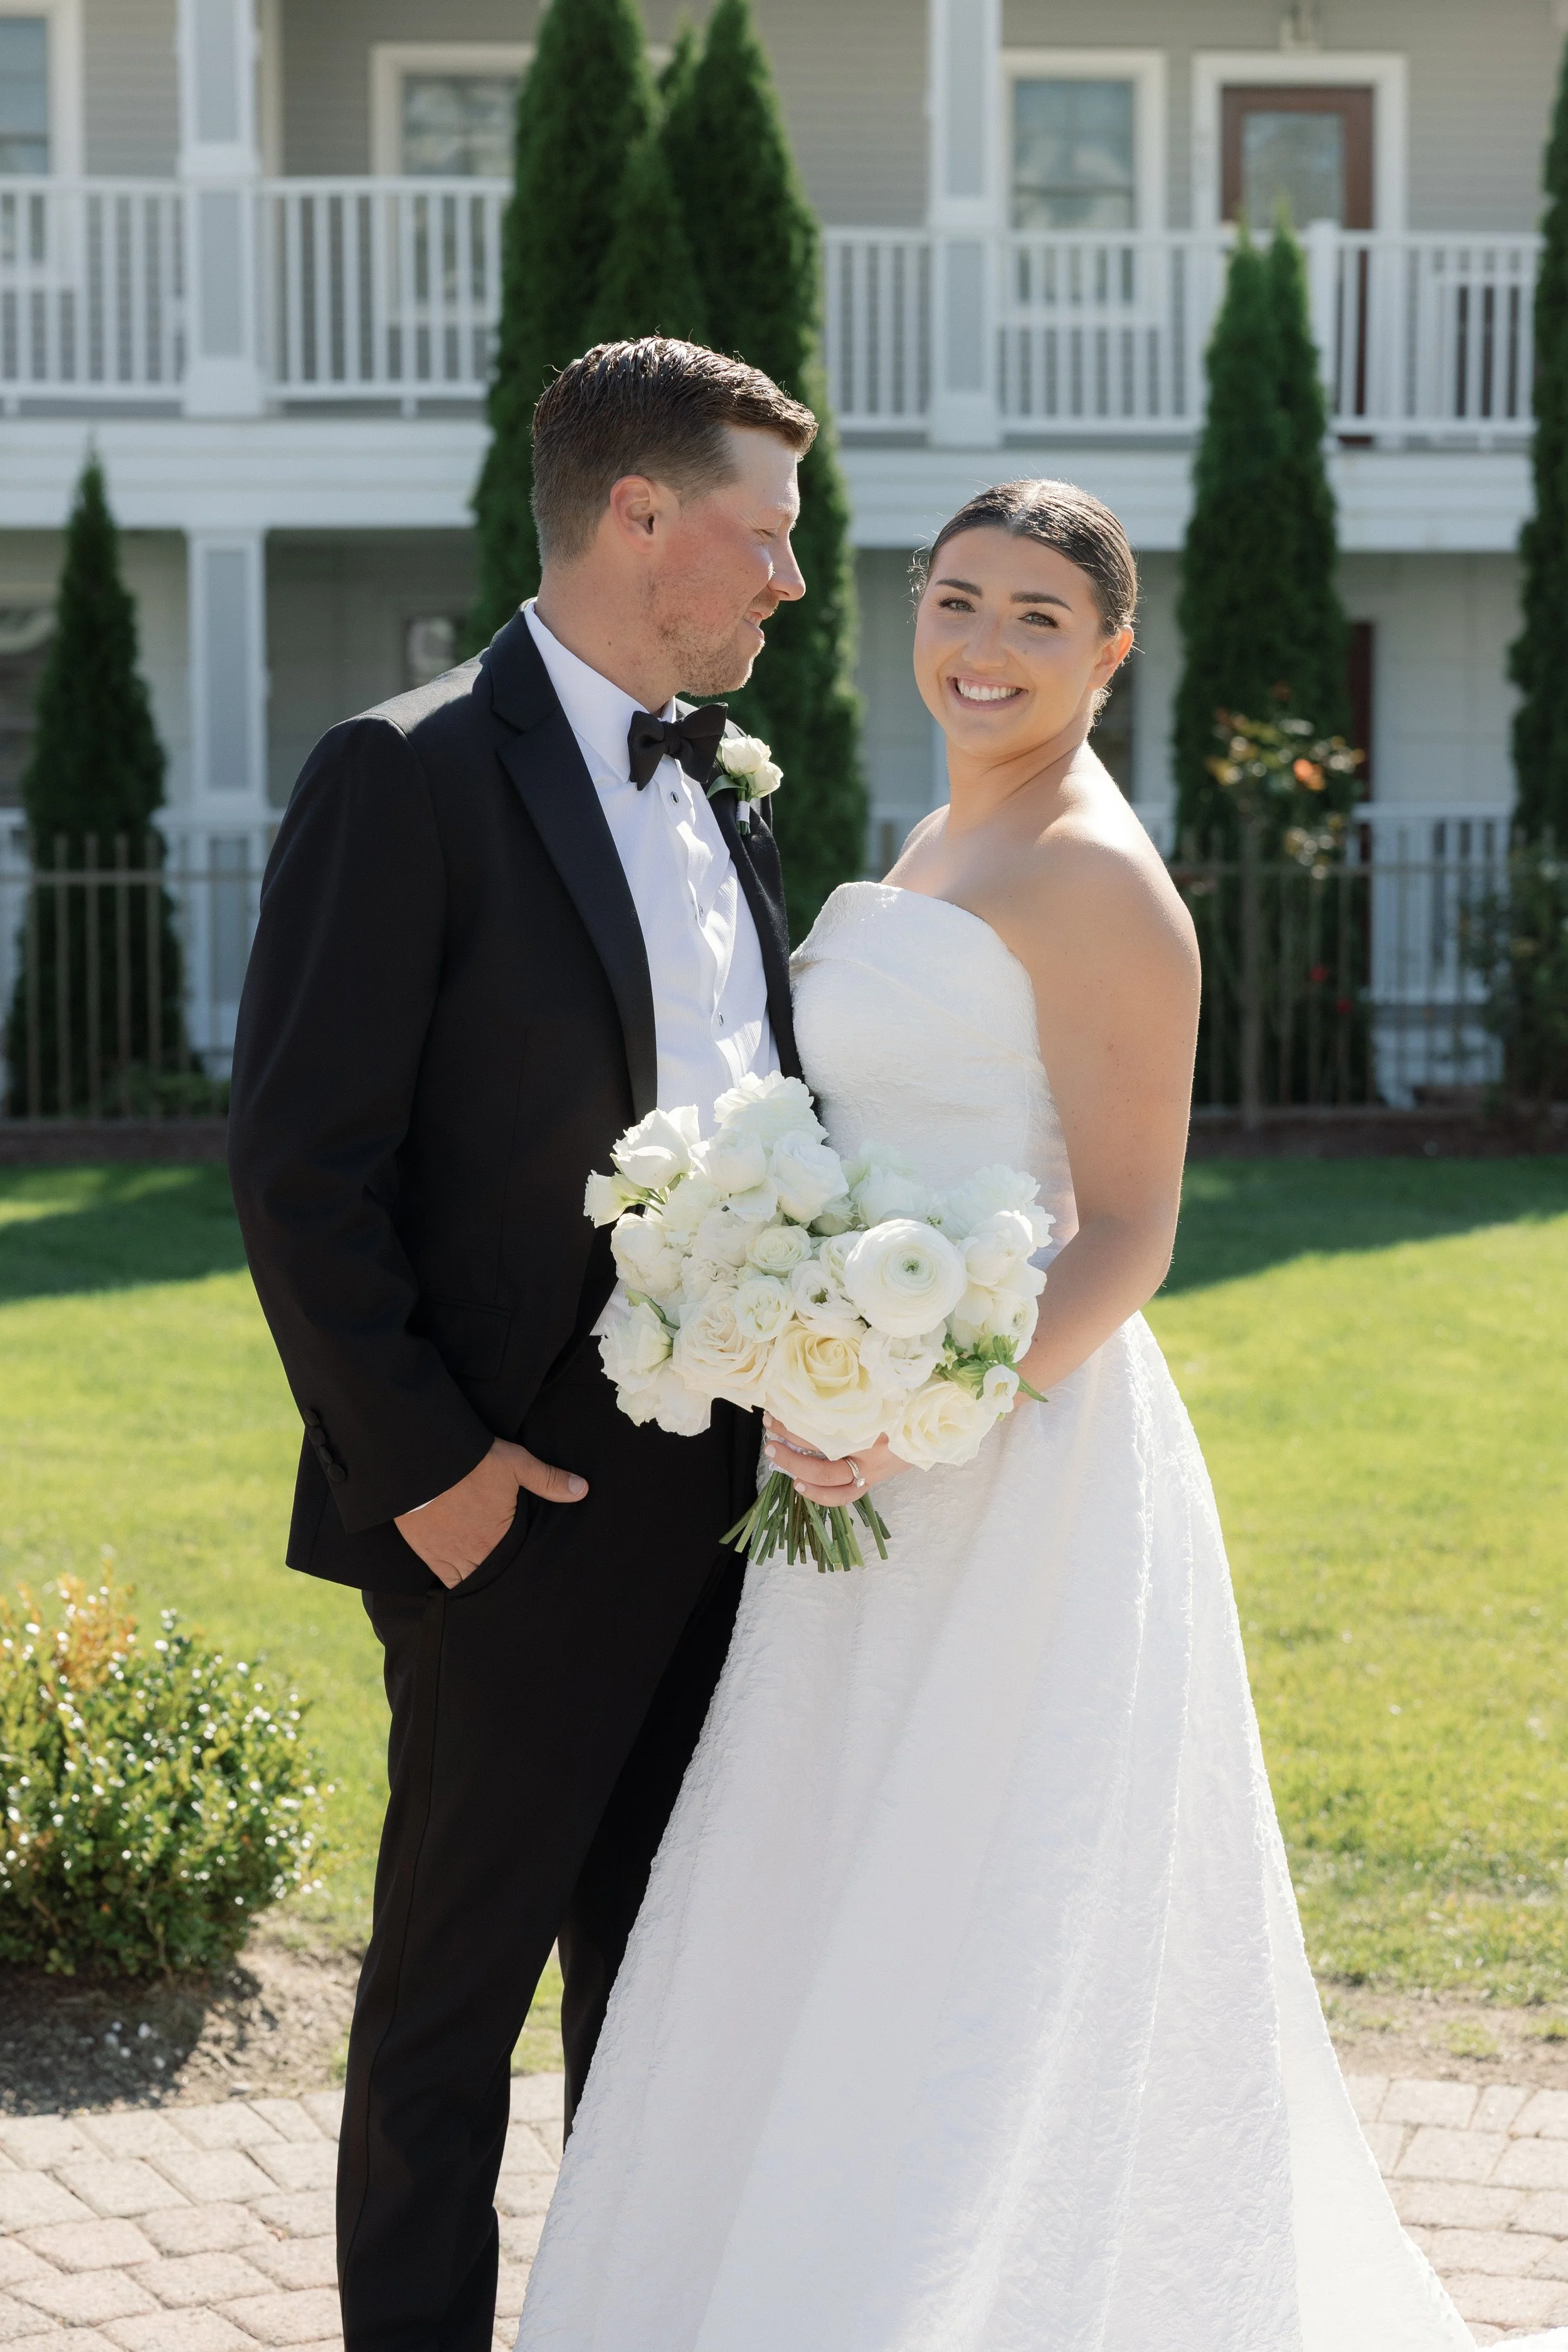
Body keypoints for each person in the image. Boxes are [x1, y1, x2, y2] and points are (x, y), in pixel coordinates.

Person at [512, 480, 1566, 2352]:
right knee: (820, 1882)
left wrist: (924, 1409)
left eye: (1032, 619)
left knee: (983, 1902)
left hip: (1020, 1466)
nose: (980, 648)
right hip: (851, 1454)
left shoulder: (1098, 880)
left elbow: (1137, 1226)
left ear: (1108, 653)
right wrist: (793, 1353)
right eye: (955, 601)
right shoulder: (930, 839)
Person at [226, 337, 814, 2352]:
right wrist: (440, 1480)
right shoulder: (402, 775)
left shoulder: (729, 794)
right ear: (639, 516)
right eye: (766, 532)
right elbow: (303, 1169)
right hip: (512, 1506)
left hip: (732, 1512)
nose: (790, 582)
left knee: (664, 1998)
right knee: (447, 2008)